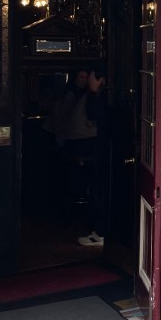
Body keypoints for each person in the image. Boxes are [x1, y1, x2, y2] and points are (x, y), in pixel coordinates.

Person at [62, 65, 108, 248]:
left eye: (91, 77)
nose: (88, 80)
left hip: (94, 148)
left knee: (97, 190)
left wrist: (93, 91)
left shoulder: (98, 96)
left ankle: (100, 232)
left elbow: (94, 115)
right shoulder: (82, 95)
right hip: (88, 147)